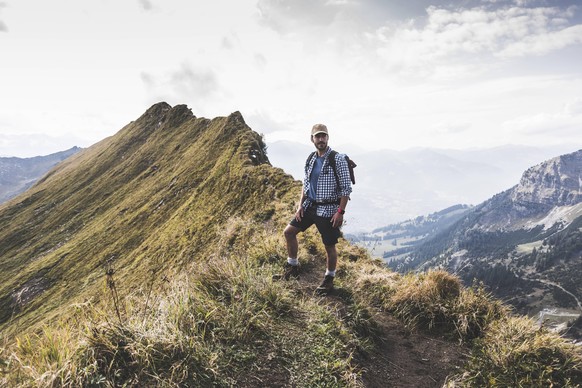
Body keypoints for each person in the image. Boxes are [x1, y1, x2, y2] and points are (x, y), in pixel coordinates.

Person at [282, 123, 353, 294]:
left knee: (329, 245)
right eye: (317, 136)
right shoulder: (311, 158)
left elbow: (346, 188)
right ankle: (293, 266)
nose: (321, 139)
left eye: (324, 136)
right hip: (310, 206)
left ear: (328, 138)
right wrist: (300, 206)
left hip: (328, 210)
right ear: (312, 139)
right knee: (289, 232)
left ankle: (329, 279)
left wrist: (340, 212)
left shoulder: (337, 159)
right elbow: (305, 184)